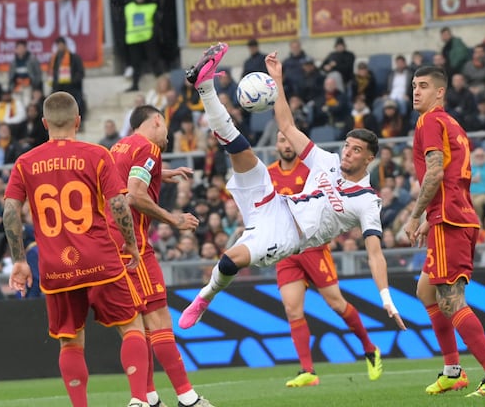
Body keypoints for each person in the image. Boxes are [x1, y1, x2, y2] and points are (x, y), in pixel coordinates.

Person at [177, 44, 405, 361]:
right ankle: (204, 87)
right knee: (237, 146)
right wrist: (278, 81)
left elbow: (375, 252)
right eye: (347, 146)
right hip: (274, 203)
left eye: (355, 150)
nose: (347, 153)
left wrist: (385, 295)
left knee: (231, 261)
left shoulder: (368, 201)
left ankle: (205, 296)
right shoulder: (326, 161)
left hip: (288, 236)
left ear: (369, 158)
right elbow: (286, 126)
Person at [3, 92, 152, 407]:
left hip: (55, 266)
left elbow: (9, 211)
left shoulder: (25, 162)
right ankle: (139, 400)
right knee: (131, 325)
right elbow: (118, 204)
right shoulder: (96, 154)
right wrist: (130, 242)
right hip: (100, 257)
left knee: (70, 341)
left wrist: (19, 260)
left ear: (44, 123)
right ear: (78, 121)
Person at [403, 66, 485, 397]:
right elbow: (449, 177)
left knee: (451, 300)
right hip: (452, 214)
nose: (416, 91)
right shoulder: (453, 124)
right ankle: (453, 371)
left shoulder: (430, 121)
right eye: (413, 86)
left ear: (440, 92)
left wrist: (414, 214)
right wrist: (429, 217)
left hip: (450, 219)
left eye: (423, 86)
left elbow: (434, 173)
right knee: (426, 291)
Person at [109, 105, 214, 407]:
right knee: (159, 319)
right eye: (166, 126)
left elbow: (122, 179)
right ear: (157, 120)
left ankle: (150, 399)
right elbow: (134, 195)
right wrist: (174, 219)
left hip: (109, 243)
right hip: (133, 244)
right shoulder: (149, 147)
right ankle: (188, 399)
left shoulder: (120, 146)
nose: (167, 134)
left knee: (136, 326)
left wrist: (160, 173)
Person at [268, 131, 383, 387]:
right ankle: (307, 371)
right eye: (282, 141)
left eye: (288, 140)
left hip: (314, 247)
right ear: (276, 145)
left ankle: (369, 347)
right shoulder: (269, 173)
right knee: (291, 309)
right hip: (287, 250)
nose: (286, 145)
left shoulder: (310, 167)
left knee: (336, 303)